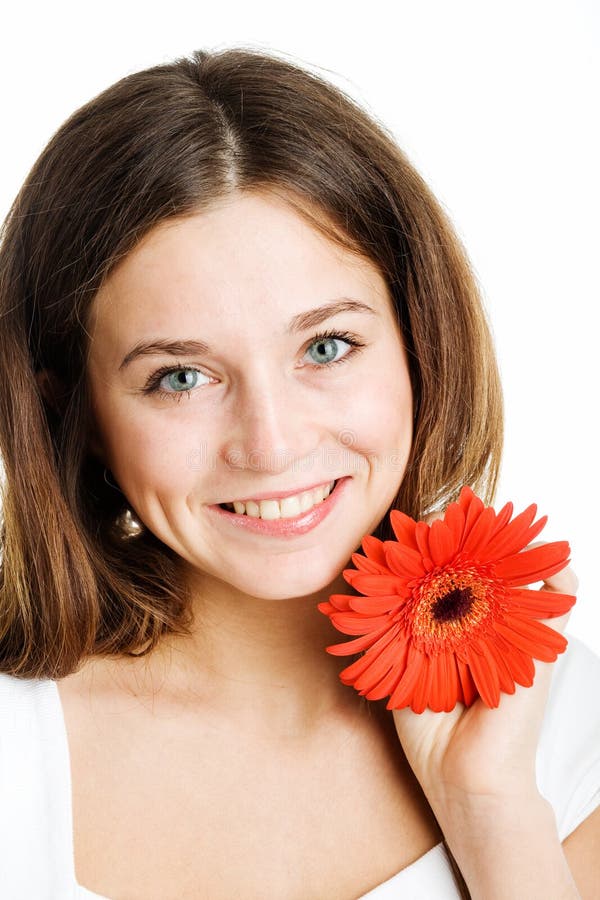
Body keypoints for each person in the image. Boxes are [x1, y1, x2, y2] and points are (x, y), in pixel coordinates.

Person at [0, 46, 598, 900]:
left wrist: (493, 811)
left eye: (326, 347)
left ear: (419, 346)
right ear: (78, 416)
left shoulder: (567, 736)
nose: (271, 444)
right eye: (181, 376)